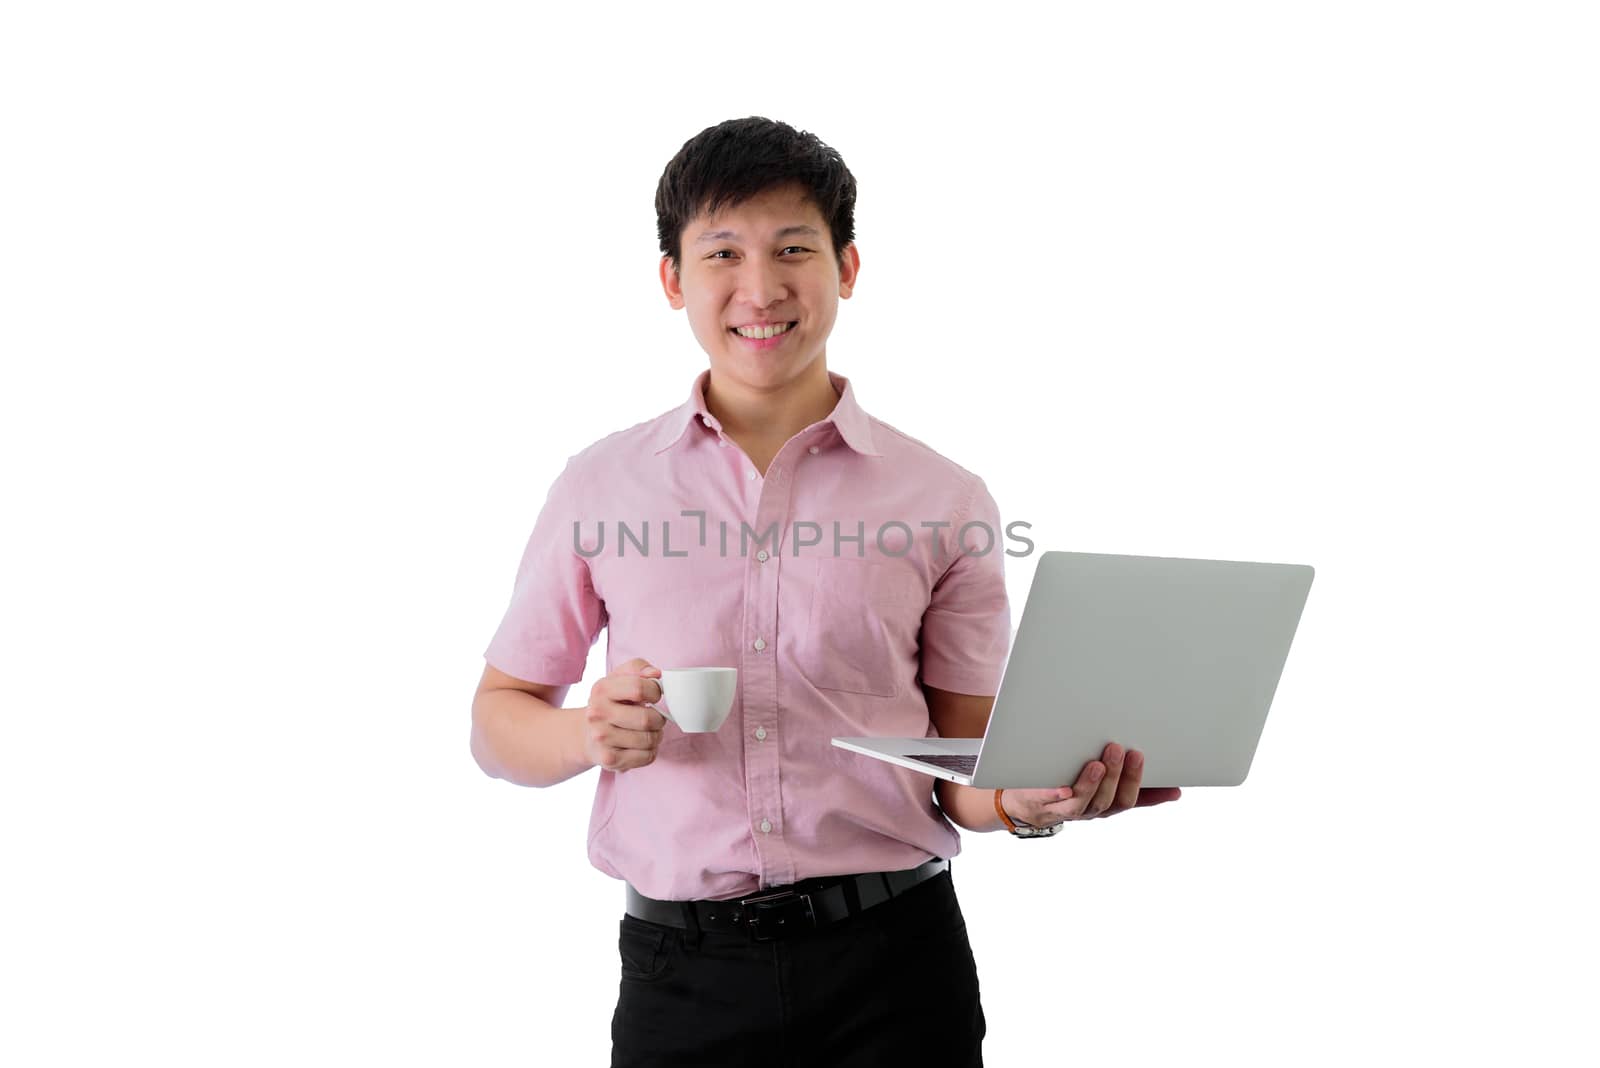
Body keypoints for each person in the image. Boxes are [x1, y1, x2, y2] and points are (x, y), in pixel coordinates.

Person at [471, 116, 1182, 1067]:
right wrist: (582, 734)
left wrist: (1024, 801)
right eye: (722, 252)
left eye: (793, 249)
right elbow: (497, 717)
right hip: (682, 977)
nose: (759, 290)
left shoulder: (944, 498)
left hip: (896, 971)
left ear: (847, 267)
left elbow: (965, 766)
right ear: (673, 279)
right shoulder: (600, 488)